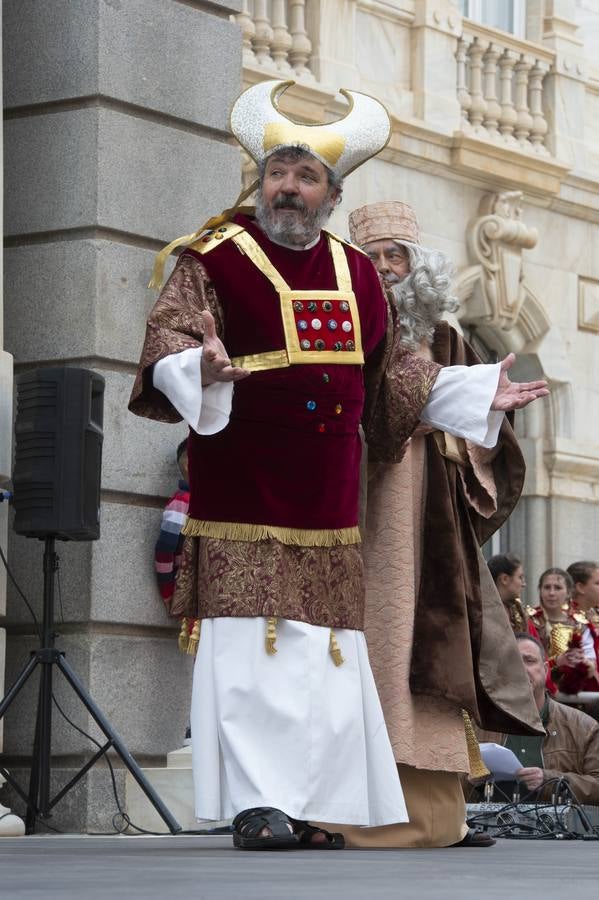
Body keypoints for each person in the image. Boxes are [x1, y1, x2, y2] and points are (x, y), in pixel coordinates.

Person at [129, 79, 548, 850]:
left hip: (327, 504)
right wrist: (199, 368)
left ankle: (314, 804)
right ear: (260, 179)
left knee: (322, 661)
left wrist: (475, 388)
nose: (287, 187)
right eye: (277, 172)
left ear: (331, 190)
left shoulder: (357, 273)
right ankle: (257, 805)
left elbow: (391, 378)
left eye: (305, 176)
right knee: (250, 655)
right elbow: (166, 342)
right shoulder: (213, 257)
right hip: (244, 492)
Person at [323, 201, 541, 850]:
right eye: (374, 258)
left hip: (433, 515)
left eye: (399, 256)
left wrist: (479, 419)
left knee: (442, 649)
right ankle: (359, 816)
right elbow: (363, 412)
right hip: (365, 506)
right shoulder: (344, 331)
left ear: (420, 266)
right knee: (380, 642)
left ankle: (442, 816)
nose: (388, 269)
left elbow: (477, 429)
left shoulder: (446, 335)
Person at [475, 634, 599, 805]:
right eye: (513, 661)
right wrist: (472, 779)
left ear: (546, 669)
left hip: (558, 831)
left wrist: (551, 780)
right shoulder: (478, 723)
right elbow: (452, 783)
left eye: (529, 660)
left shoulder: (585, 727)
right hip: (485, 829)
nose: (521, 668)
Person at [530, 567, 598, 692]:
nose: (551, 593)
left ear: (568, 592)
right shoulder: (528, 621)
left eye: (557, 588)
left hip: (573, 696)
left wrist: (583, 663)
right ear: (540, 590)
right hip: (536, 691)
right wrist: (556, 661)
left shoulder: (580, 624)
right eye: (547, 587)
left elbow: (591, 667)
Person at [487, 553, 538, 636]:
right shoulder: (484, 613)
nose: (524, 584)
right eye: (520, 577)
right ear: (505, 579)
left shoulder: (519, 613)